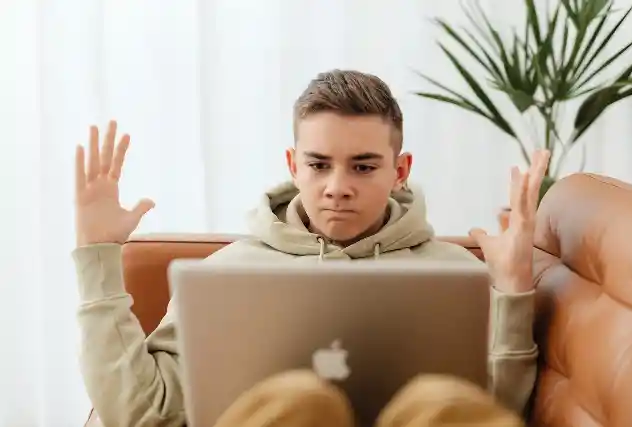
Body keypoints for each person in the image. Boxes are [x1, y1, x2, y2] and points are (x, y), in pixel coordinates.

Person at [73, 69, 549, 427]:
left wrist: (512, 292)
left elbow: (495, 412)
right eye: (319, 165)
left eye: (363, 167)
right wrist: (98, 254)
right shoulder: (227, 275)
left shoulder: (455, 276)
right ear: (294, 165)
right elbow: (144, 414)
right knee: (299, 404)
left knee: (438, 405)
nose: (337, 187)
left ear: (400, 171)